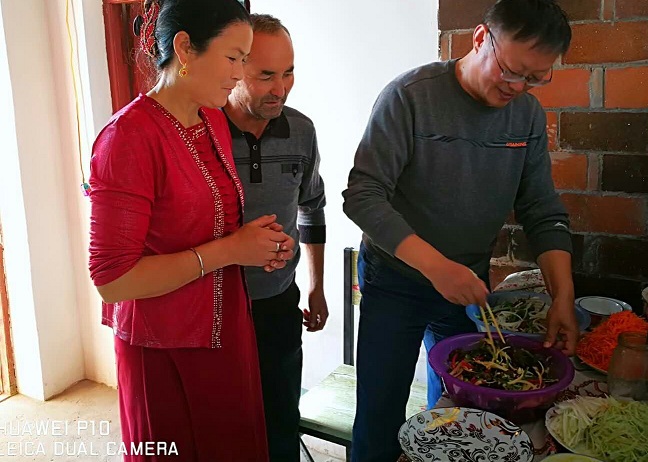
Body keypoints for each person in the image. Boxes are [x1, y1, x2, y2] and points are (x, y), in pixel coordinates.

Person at [342, 0, 577, 460]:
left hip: (469, 284)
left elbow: (541, 209)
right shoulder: (410, 97)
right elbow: (363, 196)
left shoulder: (526, 116)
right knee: (380, 410)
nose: (518, 87)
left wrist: (563, 296)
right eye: (511, 70)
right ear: (480, 38)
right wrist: (436, 267)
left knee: (460, 412)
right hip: (396, 280)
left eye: (535, 77)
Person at [88, 1, 295, 460]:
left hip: (225, 329)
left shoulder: (209, 118)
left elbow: (211, 223)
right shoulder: (128, 138)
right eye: (233, 58)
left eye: (245, 60)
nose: (239, 74)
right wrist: (230, 251)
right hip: (165, 345)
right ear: (185, 48)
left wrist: (258, 244)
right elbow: (112, 280)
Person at [224, 14, 328, 462]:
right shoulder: (200, 130)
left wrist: (316, 286)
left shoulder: (301, 130)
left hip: (279, 301)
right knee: (225, 423)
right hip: (215, 303)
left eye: (288, 72)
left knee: (281, 418)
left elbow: (312, 207)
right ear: (234, 69)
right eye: (265, 75)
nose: (280, 89)